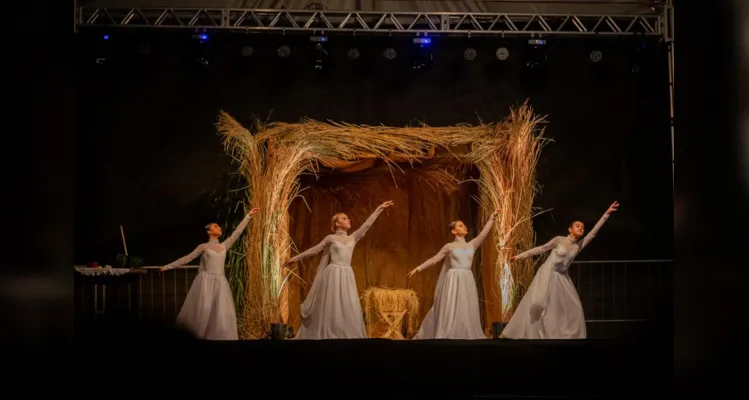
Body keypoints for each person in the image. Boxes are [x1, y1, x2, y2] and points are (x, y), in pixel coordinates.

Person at [501, 201, 619, 339]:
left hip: (562, 277)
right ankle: (523, 332)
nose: (581, 228)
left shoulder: (578, 246)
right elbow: (541, 249)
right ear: (570, 229)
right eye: (577, 226)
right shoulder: (559, 240)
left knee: (569, 307)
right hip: (548, 272)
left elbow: (592, 234)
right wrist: (519, 256)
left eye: (582, 227)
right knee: (538, 303)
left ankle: (555, 334)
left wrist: (607, 214)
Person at [284, 201, 394, 339]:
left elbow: (367, 225)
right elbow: (315, 250)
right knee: (332, 305)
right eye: (344, 218)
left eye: (348, 218)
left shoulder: (353, 237)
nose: (348, 219)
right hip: (333, 274)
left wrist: (379, 209)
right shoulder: (331, 238)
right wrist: (294, 258)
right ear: (337, 224)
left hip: (347, 274)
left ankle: (344, 333)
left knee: (348, 304)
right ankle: (329, 332)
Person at [159, 207, 259, 340]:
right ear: (209, 231)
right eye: (216, 226)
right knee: (203, 310)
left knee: (220, 312)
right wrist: (166, 267)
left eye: (218, 226)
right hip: (206, 281)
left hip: (220, 281)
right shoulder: (204, 247)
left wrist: (248, 216)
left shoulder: (224, 246)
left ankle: (218, 337)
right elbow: (187, 258)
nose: (219, 228)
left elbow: (237, 233)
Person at [407, 209, 501, 339]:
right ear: (454, 231)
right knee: (451, 306)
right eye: (460, 225)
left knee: (466, 306)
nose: (464, 227)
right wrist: (418, 268)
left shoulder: (472, 245)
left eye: (464, 225)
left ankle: (464, 333)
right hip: (453, 279)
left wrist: (492, 218)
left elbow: (483, 234)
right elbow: (435, 259)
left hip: (467, 278)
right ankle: (447, 332)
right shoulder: (449, 246)